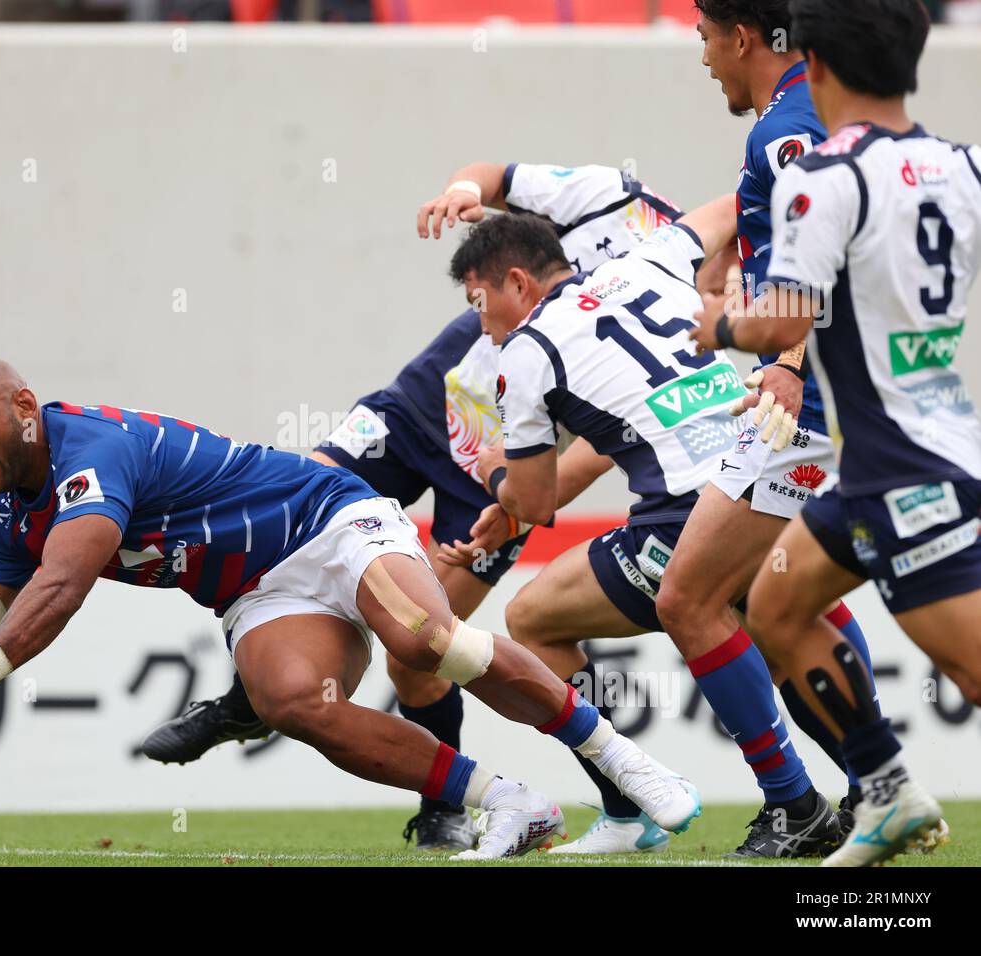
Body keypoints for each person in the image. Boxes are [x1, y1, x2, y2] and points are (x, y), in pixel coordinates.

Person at [0, 357, 702, 860]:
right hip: (259, 591)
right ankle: (513, 805)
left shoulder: (89, 453)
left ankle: (623, 763)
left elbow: (63, 586)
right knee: (293, 703)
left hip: (329, 519)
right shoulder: (5, 516)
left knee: (425, 638)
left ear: (25, 406)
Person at [142, 159, 682, 851]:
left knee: (420, 651)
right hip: (410, 414)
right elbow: (498, 176)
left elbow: (608, 440)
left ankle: (459, 805)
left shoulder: (674, 298)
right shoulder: (621, 211)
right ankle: (246, 701)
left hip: (496, 473)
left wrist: (517, 507)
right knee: (286, 504)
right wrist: (463, 190)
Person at [442, 196, 857, 860]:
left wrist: (495, 474)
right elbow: (743, 200)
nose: (482, 326)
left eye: (480, 303)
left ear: (517, 283)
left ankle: (749, 802)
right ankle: (872, 785)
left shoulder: (525, 352)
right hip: (768, 452)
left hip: (690, 504)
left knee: (538, 618)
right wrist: (737, 278)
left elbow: (537, 498)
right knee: (787, 617)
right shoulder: (648, 255)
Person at [690, 0, 979, 866]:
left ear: (811, 62)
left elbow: (782, 325)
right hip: (892, 458)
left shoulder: (825, 175)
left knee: (973, 673)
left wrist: (718, 327)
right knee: (775, 604)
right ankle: (885, 793)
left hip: (902, 472)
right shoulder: (959, 165)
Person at [634, 0, 883, 858]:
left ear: (741, 36)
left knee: (690, 597)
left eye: (704, 38)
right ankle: (865, 791)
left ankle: (807, 804)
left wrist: (787, 357)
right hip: (832, 396)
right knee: (768, 602)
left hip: (805, 402)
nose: (703, 58)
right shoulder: (815, 105)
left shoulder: (785, 123)